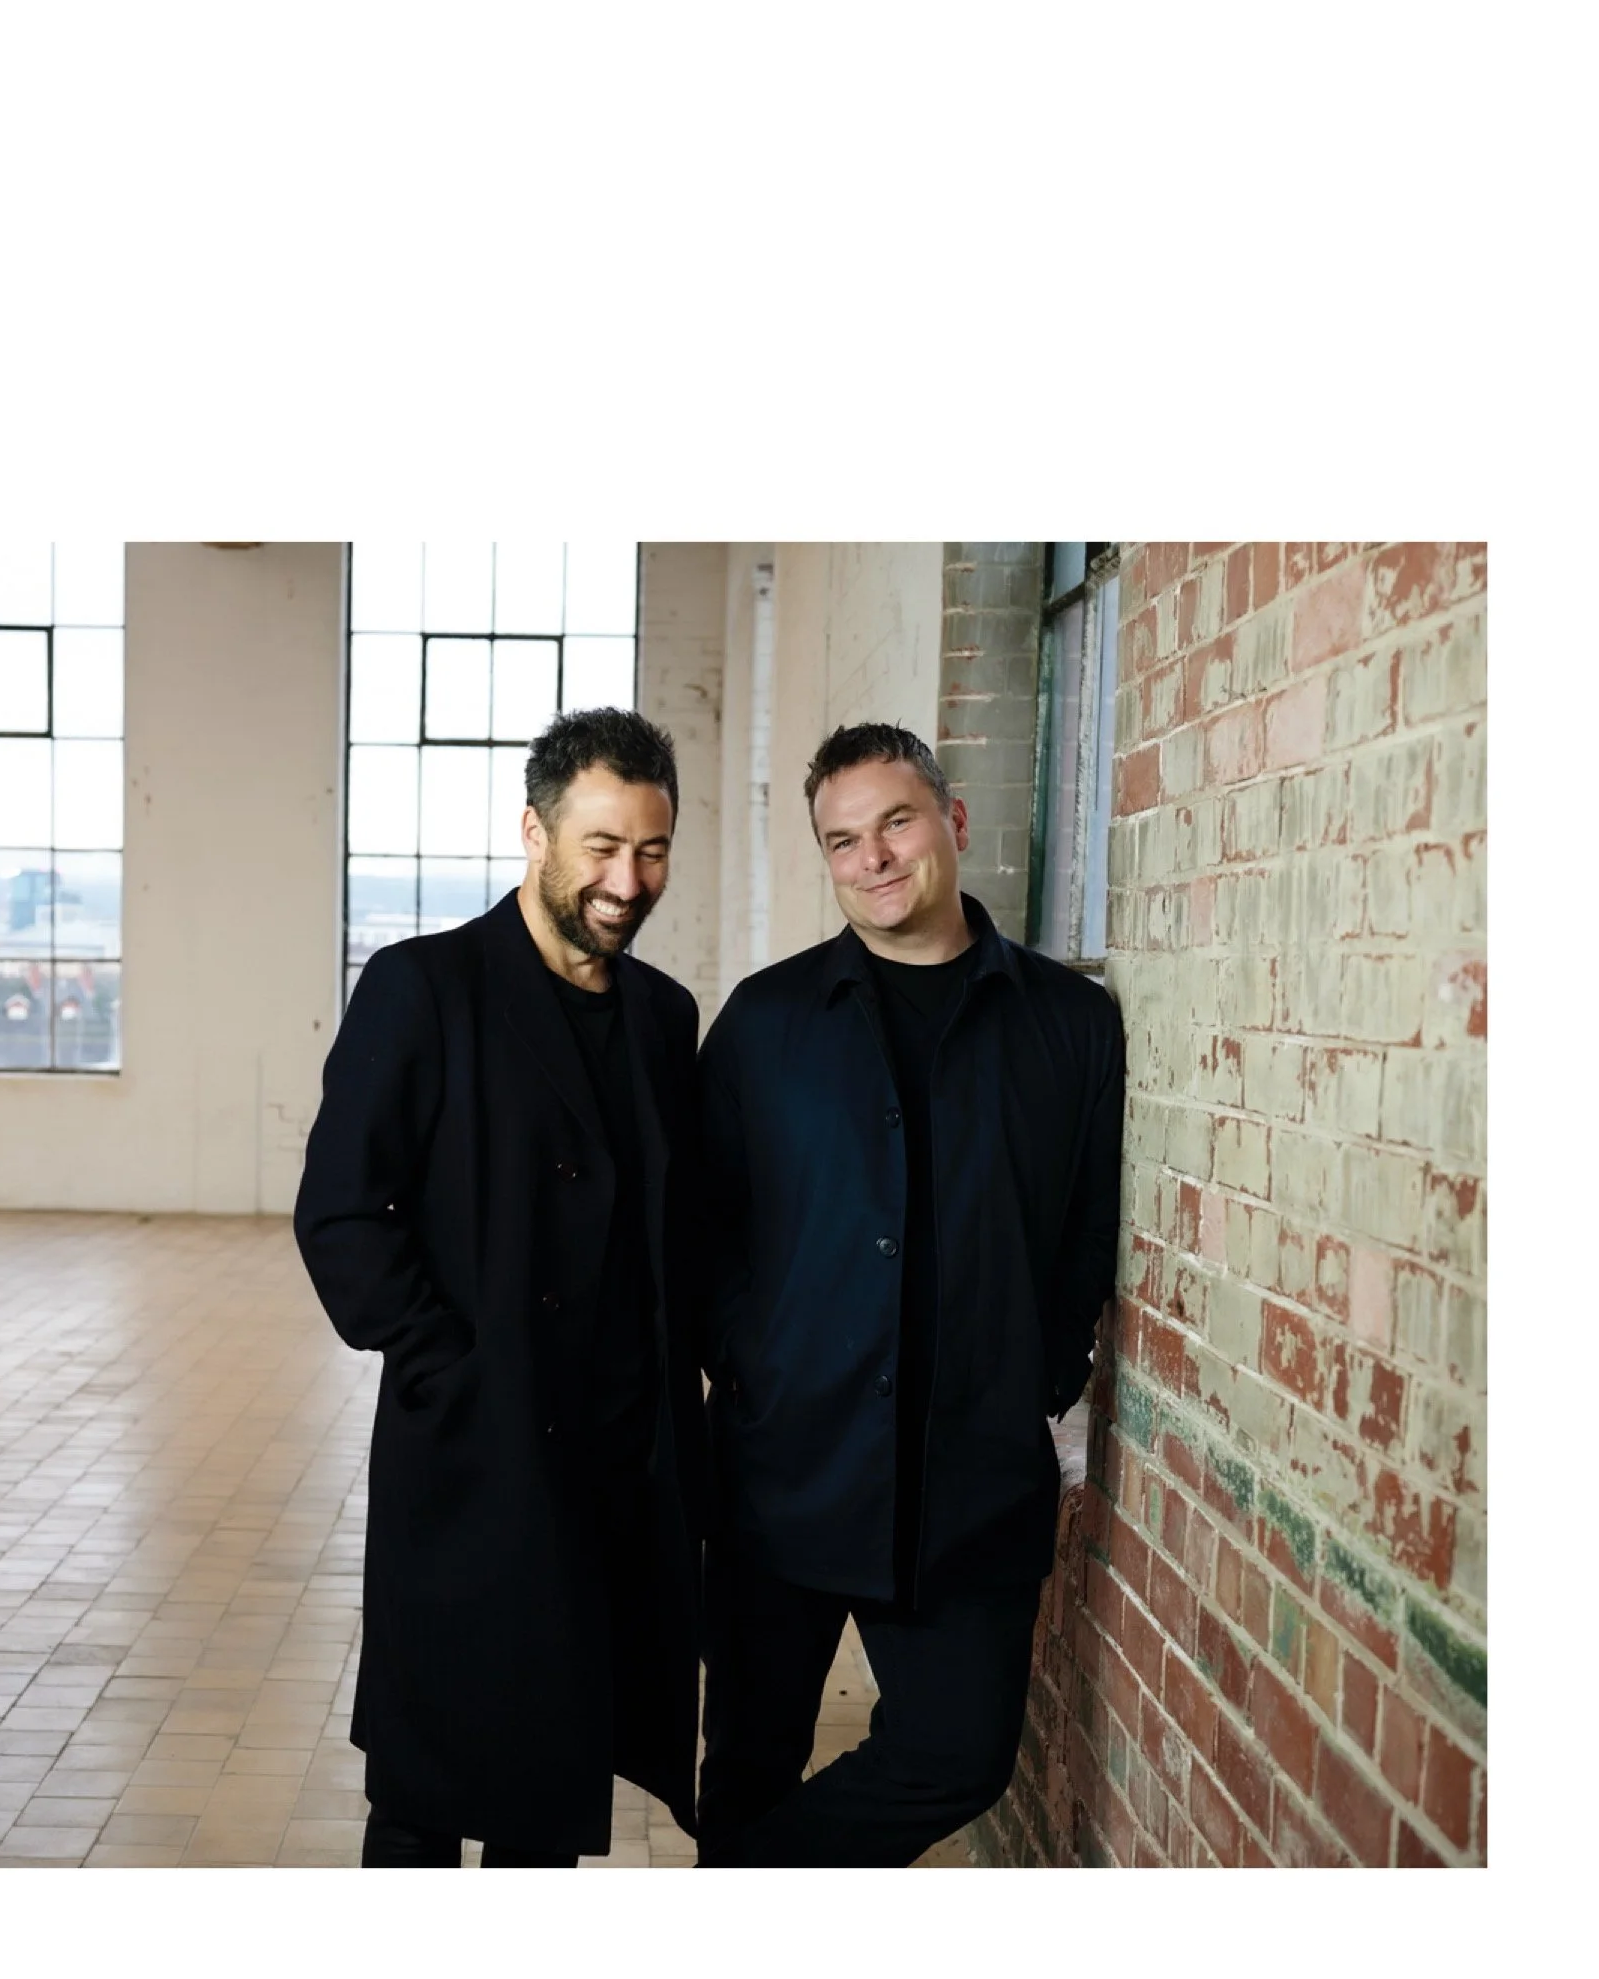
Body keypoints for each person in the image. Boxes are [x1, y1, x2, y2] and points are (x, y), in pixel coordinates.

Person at [695, 721, 1124, 1866]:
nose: (873, 858)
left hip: (968, 1478)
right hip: (786, 1465)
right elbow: (705, 1224)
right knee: (745, 1762)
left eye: (895, 821)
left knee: (956, 1753)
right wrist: (749, 1366)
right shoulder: (764, 1022)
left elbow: (1086, 1229)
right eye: (843, 840)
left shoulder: (1069, 1025)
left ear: (952, 823)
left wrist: (1040, 1370)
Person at [295, 706, 707, 1866]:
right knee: (428, 1792)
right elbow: (338, 1213)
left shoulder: (662, 1017)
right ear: (532, 831)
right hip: (477, 1453)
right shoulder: (423, 988)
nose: (628, 879)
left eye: (653, 849)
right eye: (600, 846)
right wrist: (447, 1365)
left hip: (615, 1469)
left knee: (553, 1794)